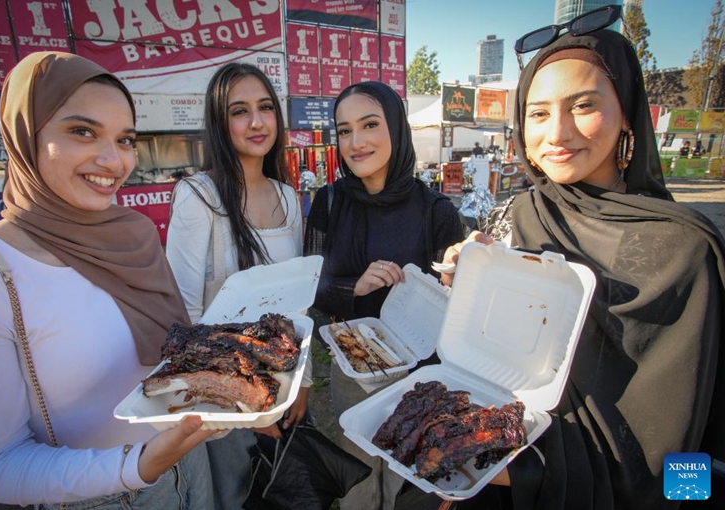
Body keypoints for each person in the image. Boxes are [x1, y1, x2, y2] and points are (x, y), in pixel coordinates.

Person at [432, 28, 725, 510]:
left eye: (584, 106)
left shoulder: (683, 251)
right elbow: (501, 352)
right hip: (499, 456)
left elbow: (689, 435)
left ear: (626, 112)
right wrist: (464, 284)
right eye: (539, 113)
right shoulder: (520, 214)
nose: (557, 133)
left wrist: (682, 498)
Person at [0, 52, 216, 509]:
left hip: (190, 469)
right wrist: (136, 466)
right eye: (82, 131)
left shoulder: (133, 236)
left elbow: (172, 354)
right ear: (25, 136)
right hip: (98, 496)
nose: (113, 160)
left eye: (125, 139)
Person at [303, 81, 464, 510]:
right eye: (344, 130)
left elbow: (456, 305)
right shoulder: (330, 202)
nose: (356, 142)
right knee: (357, 474)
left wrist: (458, 275)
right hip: (355, 363)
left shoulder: (436, 211)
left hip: (420, 374)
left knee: (406, 477)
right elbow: (309, 286)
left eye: (370, 124)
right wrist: (350, 287)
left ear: (395, 127)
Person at [165, 62, 308, 510]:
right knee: (238, 496)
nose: (257, 121)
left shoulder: (288, 196)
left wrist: (301, 385)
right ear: (219, 123)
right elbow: (185, 316)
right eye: (239, 111)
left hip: (285, 380)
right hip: (225, 393)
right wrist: (248, 407)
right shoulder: (199, 195)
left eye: (265, 107)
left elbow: (300, 301)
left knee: (288, 491)